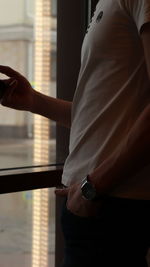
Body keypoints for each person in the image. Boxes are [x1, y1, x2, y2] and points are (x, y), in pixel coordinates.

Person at [0, 0, 150, 266]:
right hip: (91, 202)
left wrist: (93, 187)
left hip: (110, 204)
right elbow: (94, 117)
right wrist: (33, 101)